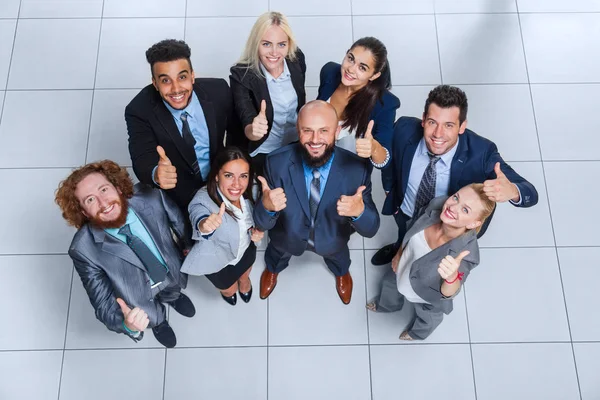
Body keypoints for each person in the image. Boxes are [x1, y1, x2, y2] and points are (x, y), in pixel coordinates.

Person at [371, 85, 538, 266]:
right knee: (406, 233)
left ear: (462, 127)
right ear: (423, 119)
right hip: (407, 210)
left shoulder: (482, 153)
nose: (438, 134)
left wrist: (513, 190)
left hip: (449, 224)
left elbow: (531, 193)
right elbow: (389, 158)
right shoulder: (403, 130)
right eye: (432, 122)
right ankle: (400, 247)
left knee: (433, 263)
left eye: (449, 125)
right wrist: (389, 188)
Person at [55, 161, 196, 348]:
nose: (103, 203)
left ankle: (172, 298)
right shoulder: (82, 249)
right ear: (83, 212)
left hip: (169, 271)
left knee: (172, 288)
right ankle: (159, 322)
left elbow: (179, 224)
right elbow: (103, 305)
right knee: (151, 317)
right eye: (90, 199)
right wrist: (128, 325)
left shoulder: (153, 197)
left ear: (118, 188)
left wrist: (188, 247)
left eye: (104, 190)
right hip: (138, 297)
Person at [254, 100, 380, 305]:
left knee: (339, 259)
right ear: (298, 130)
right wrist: (267, 208)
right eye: (307, 131)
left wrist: (359, 211)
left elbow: (371, 228)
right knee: (276, 255)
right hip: (287, 236)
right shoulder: (275, 163)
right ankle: (273, 269)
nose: (315, 140)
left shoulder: (357, 168)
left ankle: (341, 273)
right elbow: (261, 223)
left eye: (324, 130)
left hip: (332, 239)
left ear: (337, 131)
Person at [125, 39, 241, 216]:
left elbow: (235, 132)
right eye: (165, 80)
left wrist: (234, 167)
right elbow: (142, 156)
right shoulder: (139, 110)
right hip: (179, 192)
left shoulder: (218, 91)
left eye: (182, 77)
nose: (176, 88)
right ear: (155, 83)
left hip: (220, 179)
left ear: (192, 76)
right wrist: (156, 173)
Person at [367, 184, 495, 340]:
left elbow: (450, 292)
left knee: (428, 315)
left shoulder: (466, 254)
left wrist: (451, 277)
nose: (453, 207)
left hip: (425, 293)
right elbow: (412, 227)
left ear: (473, 224)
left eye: (465, 210)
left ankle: (417, 333)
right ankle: (388, 305)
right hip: (403, 265)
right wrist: (399, 253)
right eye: (456, 197)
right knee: (390, 284)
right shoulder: (437, 205)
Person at [183, 147, 264, 305]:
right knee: (228, 289)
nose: (237, 184)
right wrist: (205, 225)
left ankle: (245, 282)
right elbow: (198, 215)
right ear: (217, 176)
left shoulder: (252, 189)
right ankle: (231, 291)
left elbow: (256, 216)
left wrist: (256, 232)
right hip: (218, 261)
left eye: (243, 176)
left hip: (245, 249)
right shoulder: (202, 200)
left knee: (245, 273)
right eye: (228, 175)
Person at [317, 36, 400, 188]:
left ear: (374, 75)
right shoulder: (329, 72)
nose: (350, 69)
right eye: (351, 59)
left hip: (347, 173)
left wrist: (373, 147)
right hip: (315, 158)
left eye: (362, 68)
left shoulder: (385, 104)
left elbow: (384, 161)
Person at [230, 11, 306, 176]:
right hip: (263, 152)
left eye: (281, 44)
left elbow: (300, 100)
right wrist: (254, 130)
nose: (274, 52)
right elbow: (246, 120)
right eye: (266, 44)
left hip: (295, 147)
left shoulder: (296, 60)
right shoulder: (241, 74)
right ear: (256, 44)